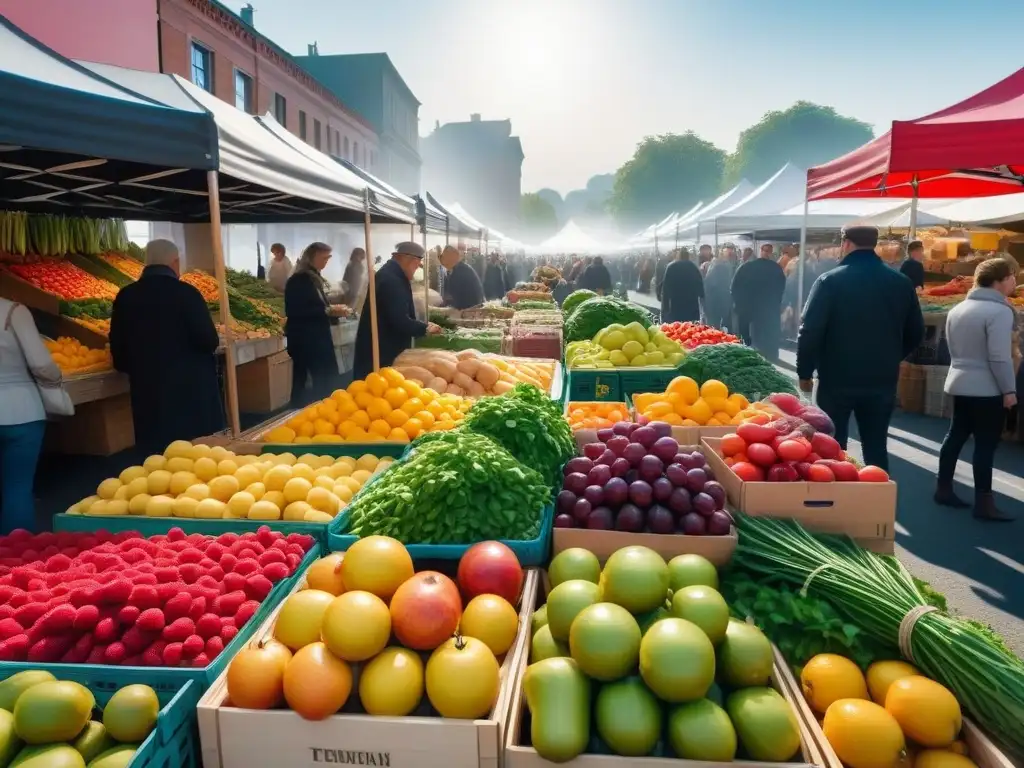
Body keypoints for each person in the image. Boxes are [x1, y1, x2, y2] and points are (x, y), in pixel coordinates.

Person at [797, 225, 924, 471]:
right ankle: (877, 501)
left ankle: (836, 500)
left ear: (846, 243)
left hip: (836, 376)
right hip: (882, 377)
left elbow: (810, 330)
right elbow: (916, 331)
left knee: (832, 444)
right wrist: (893, 356)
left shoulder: (830, 281)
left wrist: (805, 372)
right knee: (876, 445)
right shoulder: (900, 282)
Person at [110, 239, 224, 454]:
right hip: (191, 394)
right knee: (197, 456)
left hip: (148, 396)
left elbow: (119, 352)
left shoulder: (126, 297)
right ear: (175, 262)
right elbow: (209, 340)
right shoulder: (187, 294)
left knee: (156, 460)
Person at [935, 258, 1018, 521]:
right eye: (1013, 276)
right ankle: (984, 503)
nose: (1015, 281)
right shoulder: (1001, 312)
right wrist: (1009, 390)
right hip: (988, 387)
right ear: (1001, 280)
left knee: (956, 435)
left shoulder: (959, 309)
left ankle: (943, 488)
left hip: (958, 380)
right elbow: (999, 356)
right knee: (985, 443)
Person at [0, 299, 62, 533]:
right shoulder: (14, 311)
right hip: (21, 410)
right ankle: (16, 554)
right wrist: (55, 381)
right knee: (17, 488)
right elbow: (41, 363)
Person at [354, 242, 442, 379]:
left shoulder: (391, 274)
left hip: (381, 344)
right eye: (417, 266)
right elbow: (399, 319)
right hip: (382, 348)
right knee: (377, 387)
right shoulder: (391, 280)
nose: (415, 270)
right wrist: (425, 328)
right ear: (410, 260)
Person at [285, 242, 346, 407]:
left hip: (315, 337)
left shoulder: (313, 277)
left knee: (320, 378)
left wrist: (329, 310)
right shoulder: (300, 280)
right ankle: (305, 411)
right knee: (309, 380)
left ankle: (319, 408)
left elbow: (317, 304)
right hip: (306, 339)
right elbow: (296, 310)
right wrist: (328, 311)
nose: (326, 262)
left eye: (328, 258)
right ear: (312, 257)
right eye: (324, 258)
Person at [731, 243, 787, 361]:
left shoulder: (746, 267)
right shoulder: (776, 269)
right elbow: (781, 288)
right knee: (766, 334)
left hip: (747, 306)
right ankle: (770, 355)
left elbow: (734, 286)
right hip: (767, 308)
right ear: (771, 253)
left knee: (746, 334)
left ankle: (745, 353)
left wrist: (738, 303)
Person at [660, 249, 704, 323]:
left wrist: (665, 308)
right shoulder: (693, 267)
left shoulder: (671, 267)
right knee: (690, 327)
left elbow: (666, 288)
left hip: (676, 303)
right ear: (688, 256)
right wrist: (701, 294)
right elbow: (699, 284)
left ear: (678, 256)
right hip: (691, 304)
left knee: (678, 327)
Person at [440, 245, 484, 309]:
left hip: (470, 307)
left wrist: (448, 303)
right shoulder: (458, 268)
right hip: (469, 305)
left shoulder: (461, 270)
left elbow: (458, 294)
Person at [703, 247, 735, 329]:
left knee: (713, 325)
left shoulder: (715, 266)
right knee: (717, 325)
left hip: (714, 302)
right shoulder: (721, 267)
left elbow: (709, 284)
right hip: (718, 301)